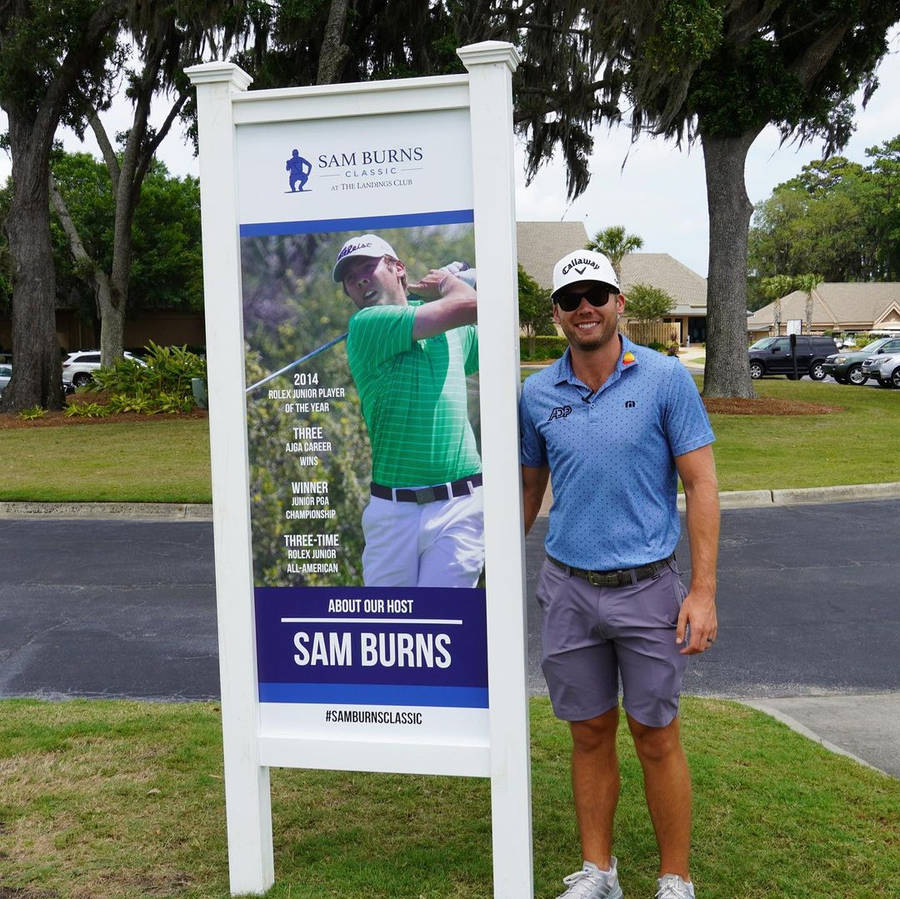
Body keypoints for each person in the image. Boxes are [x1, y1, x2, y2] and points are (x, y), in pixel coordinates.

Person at [519, 249, 719, 899]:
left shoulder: (664, 379)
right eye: (572, 297)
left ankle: (675, 878)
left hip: (648, 589)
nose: (586, 307)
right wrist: (486, 569)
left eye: (597, 294)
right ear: (556, 313)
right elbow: (529, 486)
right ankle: (599, 871)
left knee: (655, 735)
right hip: (570, 589)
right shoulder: (537, 392)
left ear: (619, 303)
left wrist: (702, 591)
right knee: (589, 731)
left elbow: (701, 483)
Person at [333, 233, 483, 588]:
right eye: (350, 279)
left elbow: (489, 306)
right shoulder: (367, 325)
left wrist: (463, 279)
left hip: (459, 506)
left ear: (398, 268)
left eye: (368, 267)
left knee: (447, 627)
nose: (360, 280)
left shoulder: (452, 328)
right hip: (393, 512)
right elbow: (470, 305)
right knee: (389, 630)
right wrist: (448, 281)